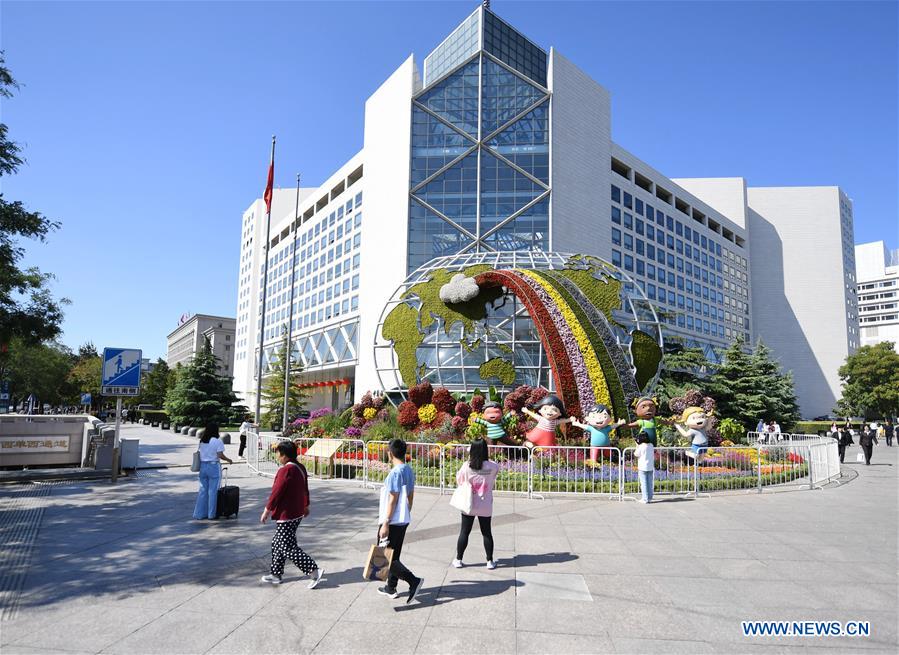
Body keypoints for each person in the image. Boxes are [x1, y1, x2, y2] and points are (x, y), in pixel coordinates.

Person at [260, 441, 324, 588]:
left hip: (287, 514)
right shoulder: (299, 467)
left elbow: (276, 493)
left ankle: (313, 570)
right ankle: (275, 574)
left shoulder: (285, 470)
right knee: (277, 543)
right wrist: (306, 505)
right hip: (297, 512)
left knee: (287, 547)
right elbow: (305, 489)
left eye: (278, 453)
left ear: (284, 455)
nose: (277, 456)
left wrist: (267, 510)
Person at [377, 438, 424, 604]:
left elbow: (392, 500)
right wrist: (408, 510)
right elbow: (410, 494)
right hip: (403, 519)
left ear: (390, 453)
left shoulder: (394, 473)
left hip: (392, 520)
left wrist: (385, 523)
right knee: (394, 554)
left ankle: (413, 581)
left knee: (385, 556)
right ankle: (391, 587)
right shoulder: (408, 470)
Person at [452, 438, 499, 569]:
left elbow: (459, 481)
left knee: (464, 532)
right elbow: (494, 474)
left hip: (469, 504)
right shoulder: (493, 466)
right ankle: (489, 561)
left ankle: (458, 559)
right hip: (485, 504)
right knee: (487, 533)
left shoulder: (466, 467)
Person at [192, 424, 233, 520]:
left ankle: (199, 514)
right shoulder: (217, 441)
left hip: (203, 466)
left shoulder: (202, 440)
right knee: (213, 491)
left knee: (203, 490)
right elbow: (220, 455)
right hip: (214, 466)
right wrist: (228, 460)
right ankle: (211, 514)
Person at [634, 432, 655, 504]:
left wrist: (637, 445)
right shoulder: (651, 445)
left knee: (643, 483)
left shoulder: (641, 446)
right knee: (649, 483)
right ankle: (649, 497)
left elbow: (636, 454)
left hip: (642, 467)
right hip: (650, 466)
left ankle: (645, 498)